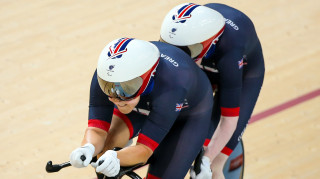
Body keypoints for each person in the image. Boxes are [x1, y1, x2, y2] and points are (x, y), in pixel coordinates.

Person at [68, 37, 214, 178]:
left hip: (187, 115)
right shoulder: (108, 76)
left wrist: (116, 157)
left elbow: (144, 150)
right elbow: (96, 129)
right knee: (106, 149)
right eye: (109, 88)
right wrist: (87, 148)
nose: (116, 98)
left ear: (148, 78)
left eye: (126, 89)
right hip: (141, 101)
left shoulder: (171, 87)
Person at [160, 3, 265, 179]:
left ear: (211, 42)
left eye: (187, 52)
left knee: (214, 166)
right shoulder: (186, 42)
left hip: (243, 74)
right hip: (203, 64)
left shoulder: (230, 49)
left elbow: (229, 120)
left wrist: (207, 160)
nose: (179, 58)